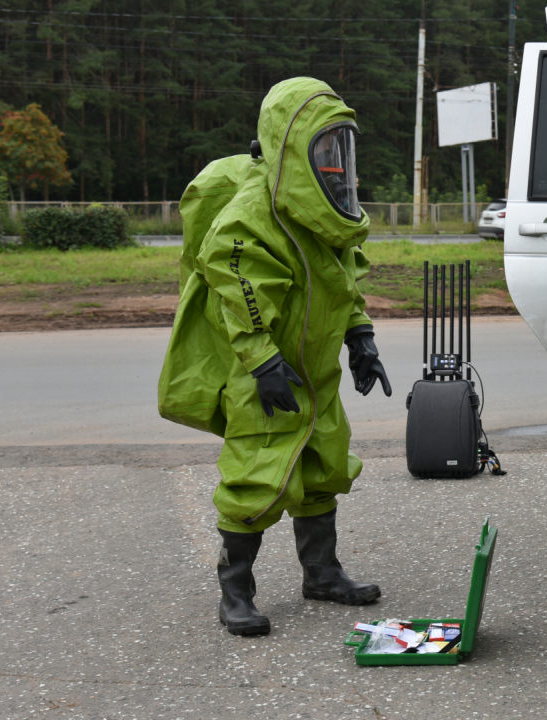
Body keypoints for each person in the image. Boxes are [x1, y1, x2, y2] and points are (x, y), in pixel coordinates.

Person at [158, 77, 391, 636]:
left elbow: (344, 281)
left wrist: (361, 338)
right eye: (324, 147)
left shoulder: (321, 213)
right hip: (264, 376)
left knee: (321, 465)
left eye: (340, 148)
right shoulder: (251, 217)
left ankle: (322, 573)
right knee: (255, 475)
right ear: (289, 146)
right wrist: (262, 363)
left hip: (315, 374)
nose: (335, 163)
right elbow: (239, 295)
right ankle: (235, 590)